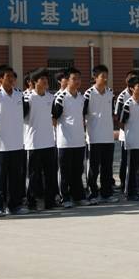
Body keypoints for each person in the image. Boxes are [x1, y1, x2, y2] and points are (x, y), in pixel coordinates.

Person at [0, 65, 30, 217]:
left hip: (17, 143)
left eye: (13, 76)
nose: (11, 79)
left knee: (15, 178)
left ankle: (14, 206)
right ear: (0, 78)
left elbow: (25, 111)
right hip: (0, 144)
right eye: (8, 77)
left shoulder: (20, 94)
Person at [52, 68, 91, 207]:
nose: (77, 81)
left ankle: (78, 196)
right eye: (74, 79)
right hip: (65, 142)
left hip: (79, 140)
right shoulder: (61, 97)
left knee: (77, 171)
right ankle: (65, 197)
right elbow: (54, 118)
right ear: (67, 80)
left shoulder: (82, 98)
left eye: (79, 79)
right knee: (64, 172)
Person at [24, 67, 60, 210]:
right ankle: (31, 202)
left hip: (49, 142)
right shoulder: (28, 97)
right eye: (42, 79)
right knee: (33, 175)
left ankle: (50, 201)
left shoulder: (51, 98)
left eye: (46, 79)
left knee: (50, 174)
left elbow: (55, 116)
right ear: (34, 82)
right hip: (33, 143)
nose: (46, 82)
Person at [83, 65, 119, 204]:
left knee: (107, 167)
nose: (105, 79)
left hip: (108, 137)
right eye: (102, 76)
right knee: (93, 168)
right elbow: (83, 113)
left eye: (106, 76)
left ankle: (106, 194)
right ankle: (92, 193)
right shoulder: (88, 94)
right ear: (95, 77)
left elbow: (111, 113)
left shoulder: (110, 93)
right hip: (94, 137)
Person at [114, 70, 138, 193]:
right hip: (126, 136)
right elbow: (118, 117)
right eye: (131, 80)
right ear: (127, 82)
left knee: (136, 161)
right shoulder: (122, 97)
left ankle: (137, 183)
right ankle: (124, 183)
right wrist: (126, 130)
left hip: (138, 136)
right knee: (125, 161)